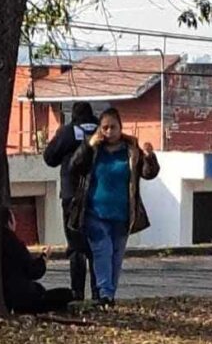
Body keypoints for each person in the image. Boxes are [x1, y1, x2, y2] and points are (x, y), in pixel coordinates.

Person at [67, 107, 160, 307]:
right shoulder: (94, 149)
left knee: (116, 257)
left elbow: (148, 173)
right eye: (105, 128)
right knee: (102, 251)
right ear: (100, 129)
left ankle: (110, 293)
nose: (109, 132)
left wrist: (150, 157)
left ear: (120, 127)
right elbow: (74, 167)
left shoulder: (131, 149)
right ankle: (105, 294)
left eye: (113, 127)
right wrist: (88, 145)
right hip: (95, 213)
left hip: (123, 214)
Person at [43, 101, 99, 301]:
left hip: (71, 196)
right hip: (97, 195)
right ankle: (99, 293)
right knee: (95, 245)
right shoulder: (102, 130)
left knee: (76, 246)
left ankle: (77, 293)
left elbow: (49, 157)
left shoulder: (68, 132)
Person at [1, 209, 74, 314]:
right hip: (23, 296)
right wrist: (43, 258)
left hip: (12, 295)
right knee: (66, 295)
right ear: (9, 222)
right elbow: (33, 271)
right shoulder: (13, 243)